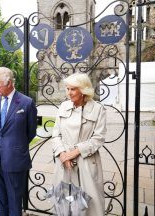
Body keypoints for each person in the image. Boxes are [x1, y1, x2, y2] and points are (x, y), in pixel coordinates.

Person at [51, 73, 107, 215]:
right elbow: (56, 134)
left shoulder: (98, 109)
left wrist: (74, 153)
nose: (69, 93)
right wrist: (63, 154)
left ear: (83, 90)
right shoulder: (63, 106)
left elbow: (98, 138)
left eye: (73, 89)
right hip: (64, 163)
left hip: (86, 163)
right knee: (64, 205)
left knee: (89, 207)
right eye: (67, 89)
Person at [0, 67, 37, 216]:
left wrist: (15, 147)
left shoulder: (27, 103)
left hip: (15, 161)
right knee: (1, 201)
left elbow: (31, 132)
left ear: (8, 82)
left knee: (15, 203)